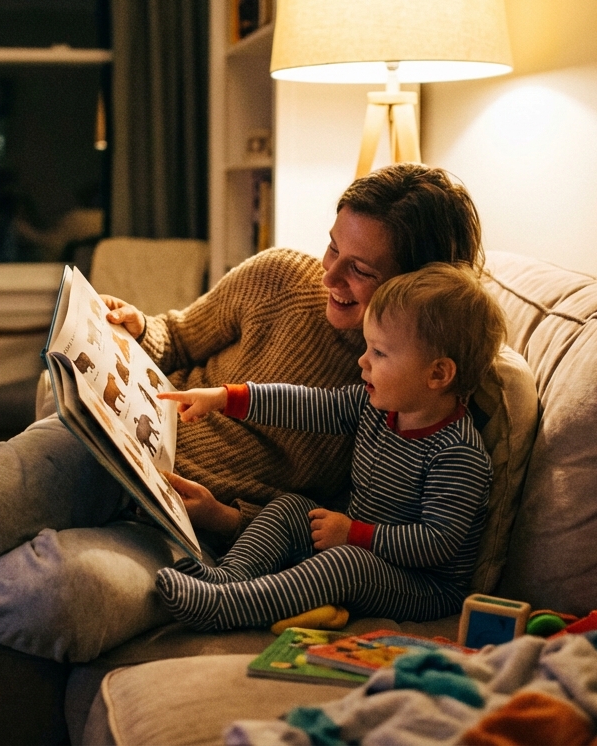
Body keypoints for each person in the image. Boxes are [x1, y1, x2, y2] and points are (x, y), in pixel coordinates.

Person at [0, 163, 499, 662]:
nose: (330, 274)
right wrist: (142, 328)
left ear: (420, 288)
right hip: (120, 444)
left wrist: (226, 521)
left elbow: (323, 530)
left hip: (189, 534)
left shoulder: (409, 394)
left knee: (64, 600)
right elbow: (181, 334)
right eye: (332, 247)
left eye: (361, 269)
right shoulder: (278, 278)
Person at [152, 262, 504, 630]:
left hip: (423, 585)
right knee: (290, 508)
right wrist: (227, 397)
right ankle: (226, 578)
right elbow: (306, 404)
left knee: (347, 563)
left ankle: (227, 608)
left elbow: (437, 542)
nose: (362, 361)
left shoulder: (457, 454)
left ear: (437, 374)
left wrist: (353, 533)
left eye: (380, 354)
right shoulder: (373, 406)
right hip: (357, 541)